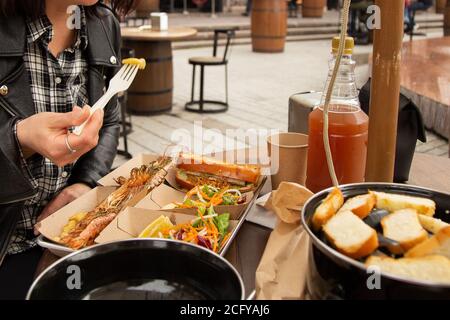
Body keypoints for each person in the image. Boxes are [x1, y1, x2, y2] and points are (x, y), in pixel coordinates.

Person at [0, 0, 137, 299]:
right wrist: (18, 139)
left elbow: (109, 119)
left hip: (70, 238)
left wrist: (83, 182)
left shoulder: (102, 22)